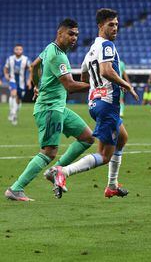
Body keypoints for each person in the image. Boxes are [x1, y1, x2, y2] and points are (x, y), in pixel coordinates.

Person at [45, 9, 139, 199]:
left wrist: (96, 88)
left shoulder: (90, 51)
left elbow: (84, 75)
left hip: (96, 103)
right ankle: (63, 172)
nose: (115, 28)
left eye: (116, 25)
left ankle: (112, 185)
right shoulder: (107, 46)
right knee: (104, 155)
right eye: (110, 25)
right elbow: (105, 71)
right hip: (107, 105)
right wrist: (126, 84)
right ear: (100, 26)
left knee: (122, 138)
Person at [4, 19, 95, 201]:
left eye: (76, 34)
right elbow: (69, 85)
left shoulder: (50, 48)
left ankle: (56, 171)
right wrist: (96, 85)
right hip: (49, 109)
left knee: (87, 137)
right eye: (70, 34)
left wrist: (37, 85)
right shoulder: (58, 56)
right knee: (49, 151)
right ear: (60, 34)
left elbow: (34, 65)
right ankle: (16, 188)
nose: (74, 38)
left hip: (59, 107)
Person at [3, 44, 32, 125]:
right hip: (12, 80)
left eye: (20, 49)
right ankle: (12, 112)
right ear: (14, 50)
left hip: (22, 83)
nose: (18, 51)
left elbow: (31, 70)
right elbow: (5, 68)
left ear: (22, 51)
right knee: (13, 93)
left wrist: (29, 81)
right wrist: (6, 75)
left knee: (18, 100)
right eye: (17, 49)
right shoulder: (10, 59)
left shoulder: (26, 59)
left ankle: (14, 113)